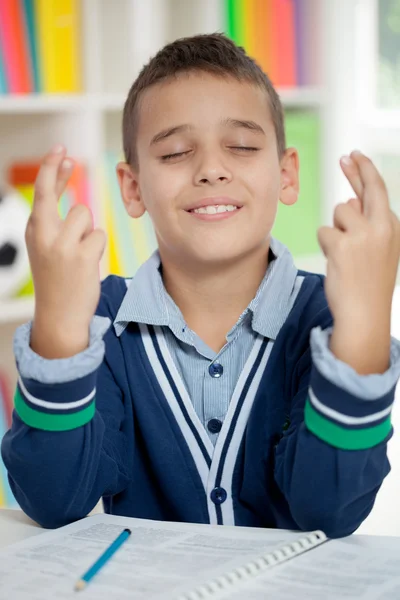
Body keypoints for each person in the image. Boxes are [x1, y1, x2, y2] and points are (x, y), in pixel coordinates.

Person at [2, 34, 400, 538]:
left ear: (286, 174)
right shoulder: (98, 319)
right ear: (132, 187)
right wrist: (59, 328)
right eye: (174, 153)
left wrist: (364, 329)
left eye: (242, 146)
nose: (211, 169)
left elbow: (330, 509)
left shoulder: (325, 317)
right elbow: (54, 500)